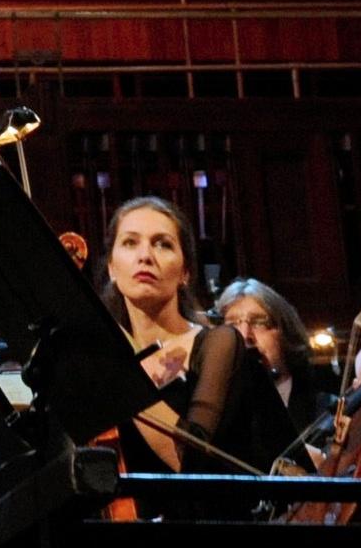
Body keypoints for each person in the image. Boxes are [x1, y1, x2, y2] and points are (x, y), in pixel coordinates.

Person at [94, 196, 283, 479]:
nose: (145, 256)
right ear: (111, 267)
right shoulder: (98, 356)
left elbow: (190, 461)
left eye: (163, 244)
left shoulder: (218, 343)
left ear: (185, 272)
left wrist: (121, 369)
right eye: (130, 243)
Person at [213, 278, 333, 451]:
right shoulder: (213, 416)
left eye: (259, 323)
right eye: (232, 324)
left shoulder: (326, 412)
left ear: (286, 334)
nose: (245, 335)